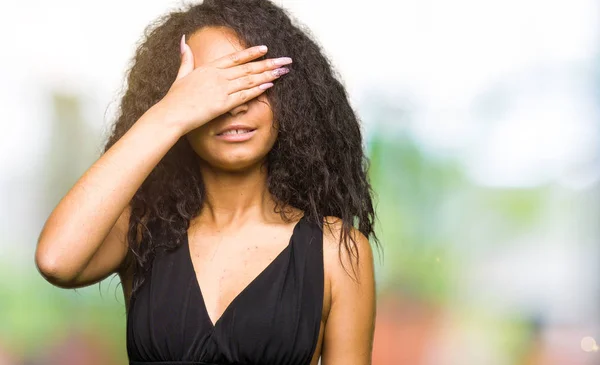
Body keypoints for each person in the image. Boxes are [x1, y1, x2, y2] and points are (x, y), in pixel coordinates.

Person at [35, 0, 379, 364]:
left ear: (290, 98)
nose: (234, 105)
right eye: (210, 90)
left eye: (251, 82)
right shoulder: (142, 230)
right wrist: (171, 114)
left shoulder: (336, 253)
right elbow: (56, 260)